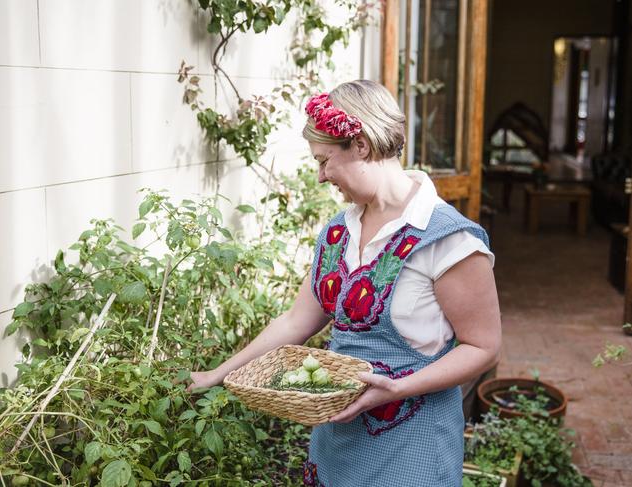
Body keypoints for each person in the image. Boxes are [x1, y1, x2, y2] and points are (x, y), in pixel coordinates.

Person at [187, 79, 501, 486]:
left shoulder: (448, 238)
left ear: (362, 147)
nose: (320, 176)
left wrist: (397, 388)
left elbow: (484, 347)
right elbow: (295, 321)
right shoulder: (339, 232)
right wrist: (217, 375)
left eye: (323, 160)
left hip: (413, 444)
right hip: (338, 438)